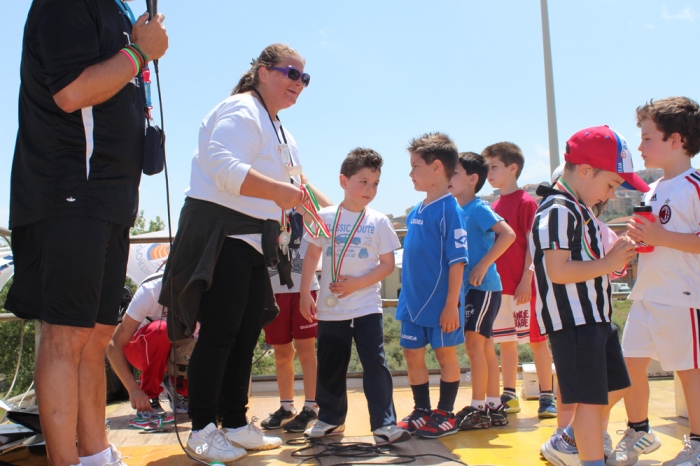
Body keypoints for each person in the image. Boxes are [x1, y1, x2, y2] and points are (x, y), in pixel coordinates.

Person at [4, 0, 168, 463]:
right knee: (64, 336)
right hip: (68, 190)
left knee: (96, 335)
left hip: (111, 199)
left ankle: (95, 454)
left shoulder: (117, 7)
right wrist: (139, 53)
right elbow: (71, 92)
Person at [159, 43, 318, 463]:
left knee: (245, 335)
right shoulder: (241, 109)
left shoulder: (278, 125)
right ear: (263, 72)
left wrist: (319, 209)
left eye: (305, 78)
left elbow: (296, 185)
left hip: (253, 241)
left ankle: (233, 421)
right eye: (291, 73)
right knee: (219, 334)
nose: (298, 83)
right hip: (221, 234)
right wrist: (283, 194)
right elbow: (223, 167)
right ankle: (202, 429)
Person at [534, 126, 648, 466]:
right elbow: (558, 270)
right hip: (574, 322)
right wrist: (609, 262)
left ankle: (569, 439)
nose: (611, 195)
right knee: (589, 400)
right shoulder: (557, 209)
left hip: (595, 318)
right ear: (584, 171)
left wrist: (615, 258)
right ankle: (588, 457)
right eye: (611, 185)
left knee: (617, 385)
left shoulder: (579, 210)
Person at [608, 97, 700, 466]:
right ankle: (639, 432)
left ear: (676, 140)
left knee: (689, 372)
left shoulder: (693, 185)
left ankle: (696, 443)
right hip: (646, 294)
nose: (641, 147)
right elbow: (656, 237)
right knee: (629, 365)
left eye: (647, 139)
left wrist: (660, 237)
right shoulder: (652, 189)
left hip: (682, 296)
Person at [299, 148, 409, 445]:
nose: (369, 190)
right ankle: (331, 419)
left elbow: (387, 265)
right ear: (343, 181)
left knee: (375, 363)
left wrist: (358, 283)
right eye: (363, 181)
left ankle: (384, 423)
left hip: (367, 307)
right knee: (331, 364)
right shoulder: (323, 217)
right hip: (330, 308)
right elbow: (311, 256)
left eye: (375, 183)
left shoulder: (379, 221)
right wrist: (304, 294)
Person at [396, 133, 468, 439]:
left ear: (436, 167)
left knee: (444, 356)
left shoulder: (451, 210)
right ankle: (422, 410)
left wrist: (451, 303)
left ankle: (445, 414)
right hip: (412, 302)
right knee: (412, 354)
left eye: (415, 166)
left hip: (441, 305)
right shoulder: (415, 211)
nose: (410, 173)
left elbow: (458, 261)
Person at [481, 142, 557, 419]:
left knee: (537, 340)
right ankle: (509, 394)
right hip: (500, 286)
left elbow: (533, 244)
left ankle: (547, 396)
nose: (489, 173)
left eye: (494, 167)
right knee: (507, 341)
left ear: (513, 168)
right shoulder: (493, 205)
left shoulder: (527, 202)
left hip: (524, 285)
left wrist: (528, 277)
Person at [448, 152, 516, 430]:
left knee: (475, 345)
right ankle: (492, 404)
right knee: (484, 345)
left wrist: (483, 265)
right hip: (469, 290)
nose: (449, 178)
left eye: (454, 173)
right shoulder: (455, 209)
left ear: (472, 179)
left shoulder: (477, 208)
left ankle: (478, 408)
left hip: (484, 288)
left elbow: (508, 234)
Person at [261, 202, 330, 432]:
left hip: (304, 289)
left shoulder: (306, 206)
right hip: (273, 291)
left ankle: (312, 407)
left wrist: (305, 184)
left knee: (306, 351)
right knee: (281, 353)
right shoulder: (264, 206)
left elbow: (330, 209)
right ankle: (286, 406)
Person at [106, 273, 190, 429]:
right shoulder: (151, 290)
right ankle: (149, 395)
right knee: (161, 330)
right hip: (138, 349)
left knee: (201, 337)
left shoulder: (202, 289)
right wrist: (133, 389)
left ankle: (180, 389)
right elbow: (113, 345)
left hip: (172, 350)